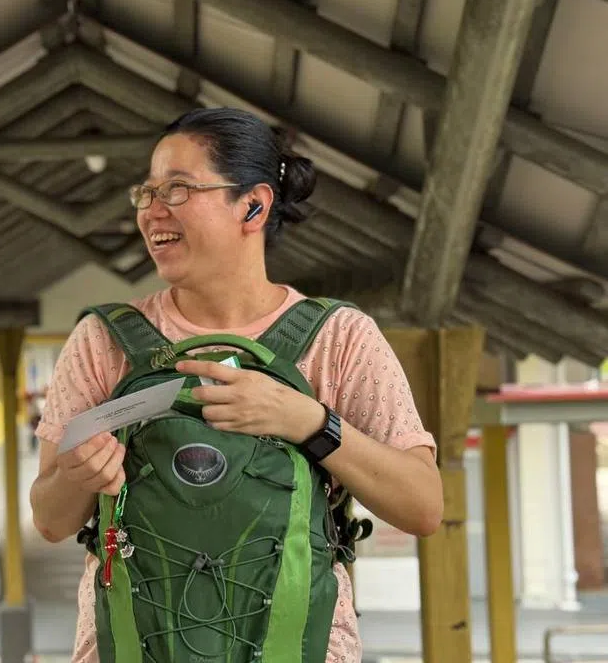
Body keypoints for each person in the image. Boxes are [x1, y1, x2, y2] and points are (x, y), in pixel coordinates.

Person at [28, 107, 443, 662]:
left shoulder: (340, 338)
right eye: (146, 193)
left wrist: (309, 423)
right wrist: (79, 475)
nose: (152, 212)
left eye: (177, 189)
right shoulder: (102, 340)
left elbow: (423, 507)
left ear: (253, 204)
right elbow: (52, 520)